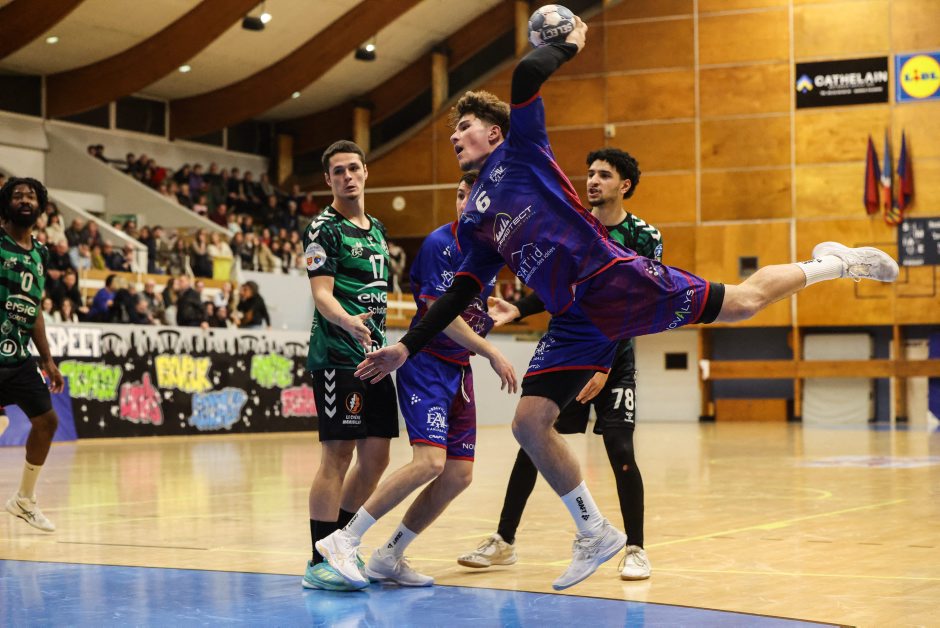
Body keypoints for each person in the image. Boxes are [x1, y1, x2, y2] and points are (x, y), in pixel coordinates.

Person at [355, 18, 899, 591]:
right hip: (573, 317)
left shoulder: (522, 152)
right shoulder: (474, 220)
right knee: (529, 423)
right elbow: (459, 293)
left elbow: (526, 76)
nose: (454, 136)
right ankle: (594, 532)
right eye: (452, 131)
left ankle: (834, 263)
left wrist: (566, 43)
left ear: (494, 133)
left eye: (463, 126)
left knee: (742, 303)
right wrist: (407, 347)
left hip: (614, 282)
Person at [457, 148, 659, 581]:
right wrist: (520, 309)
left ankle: (635, 548)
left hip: (613, 357)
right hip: (569, 352)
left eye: (604, 175)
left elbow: (639, 304)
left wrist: (604, 365)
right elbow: (558, 284)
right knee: (533, 439)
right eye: (590, 173)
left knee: (620, 448)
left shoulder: (645, 236)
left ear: (624, 185)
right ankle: (503, 540)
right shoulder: (574, 224)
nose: (592, 181)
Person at [315, 172, 517, 589]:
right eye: (460, 195)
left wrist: (497, 314)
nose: (465, 203)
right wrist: (491, 350)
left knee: (458, 475)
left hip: (459, 371)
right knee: (429, 462)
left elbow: (470, 308)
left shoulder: (490, 251)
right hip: (426, 365)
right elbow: (442, 317)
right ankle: (343, 539)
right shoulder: (439, 244)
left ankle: (389, 555)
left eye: (474, 196)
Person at [300, 140, 400, 591]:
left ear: (365, 172)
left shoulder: (377, 229)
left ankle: (341, 544)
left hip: (375, 356)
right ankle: (319, 560)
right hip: (337, 358)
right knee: (337, 456)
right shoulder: (323, 229)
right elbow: (321, 294)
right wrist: (348, 322)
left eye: (353, 168)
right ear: (329, 180)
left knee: (377, 458)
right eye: (338, 171)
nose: (347, 176)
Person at [0, 177, 65, 532]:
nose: (25, 200)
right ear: (6, 204)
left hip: (17, 357)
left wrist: (47, 359)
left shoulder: (40, 253)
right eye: (17, 195)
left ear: (40, 206)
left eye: (31, 196)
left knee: (47, 422)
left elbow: (34, 308)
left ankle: (24, 500)